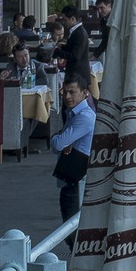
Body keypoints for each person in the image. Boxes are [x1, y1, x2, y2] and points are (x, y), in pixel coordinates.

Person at [50, 75, 96, 222]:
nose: (68, 96)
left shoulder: (84, 117)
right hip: (70, 176)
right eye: (65, 92)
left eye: (72, 92)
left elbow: (57, 144)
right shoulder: (73, 113)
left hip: (77, 179)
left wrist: (58, 138)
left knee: (71, 230)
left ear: (85, 92)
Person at [61, 5, 92, 86]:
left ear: (72, 19)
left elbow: (75, 55)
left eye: (64, 20)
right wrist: (63, 47)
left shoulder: (79, 33)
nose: (63, 23)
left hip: (78, 75)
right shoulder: (76, 31)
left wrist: (58, 52)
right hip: (76, 74)